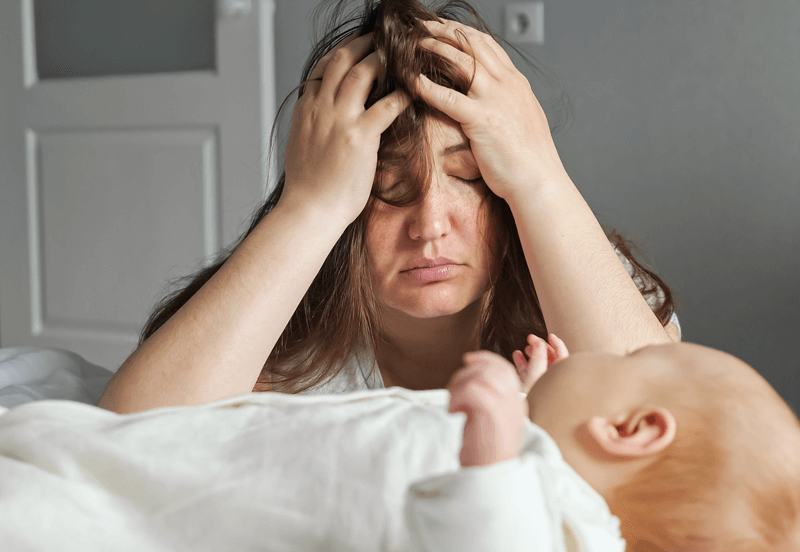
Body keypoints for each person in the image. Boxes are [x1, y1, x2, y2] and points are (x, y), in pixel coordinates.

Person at [98, 0, 680, 414]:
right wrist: (310, 204)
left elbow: (669, 422)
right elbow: (131, 431)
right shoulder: (289, 339)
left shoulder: (583, 278)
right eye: (388, 189)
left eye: (468, 177)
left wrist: (542, 175)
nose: (430, 227)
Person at [406, 333, 800, 552]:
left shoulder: (557, 529)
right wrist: (531, 403)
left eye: (629, 356)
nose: (606, 351)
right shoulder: (556, 503)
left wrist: (491, 464)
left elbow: (497, 546)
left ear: (628, 429)